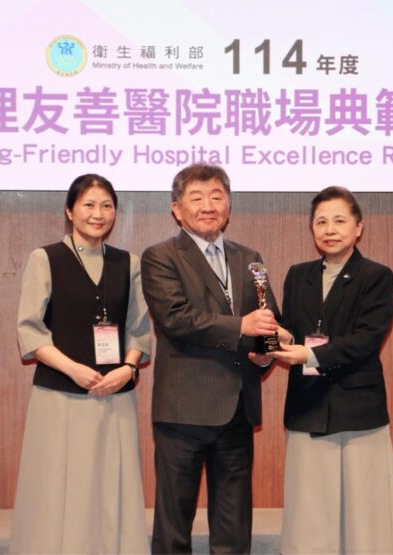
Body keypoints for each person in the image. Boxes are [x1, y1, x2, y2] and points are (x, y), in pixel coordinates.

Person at [141, 163, 280, 554]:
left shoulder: (250, 258)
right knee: (174, 524)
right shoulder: (160, 257)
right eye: (197, 197)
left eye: (217, 196)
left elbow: (269, 317)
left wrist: (266, 356)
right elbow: (175, 318)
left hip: (238, 409)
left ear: (228, 206)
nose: (208, 206)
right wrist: (241, 326)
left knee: (234, 525)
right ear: (176, 209)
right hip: (184, 410)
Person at [9, 174, 151, 554]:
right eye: (88, 204)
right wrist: (72, 368)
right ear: (70, 211)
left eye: (106, 205)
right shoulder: (45, 259)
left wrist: (128, 369)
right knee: (56, 487)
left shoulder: (128, 263)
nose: (98, 213)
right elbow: (30, 331)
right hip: (60, 396)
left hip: (114, 396)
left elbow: (139, 330)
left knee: (110, 488)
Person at [270, 186, 393, 554]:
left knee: (365, 510)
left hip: (357, 407)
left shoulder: (376, 276)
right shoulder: (298, 275)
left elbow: (367, 338)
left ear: (358, 227)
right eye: (321, 222)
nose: (329, 229)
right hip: (308, 404)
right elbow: (293, 329)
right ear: (311, 228)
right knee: (310, 509)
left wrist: (309, 355)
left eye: (339, 221)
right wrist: (280, 337)